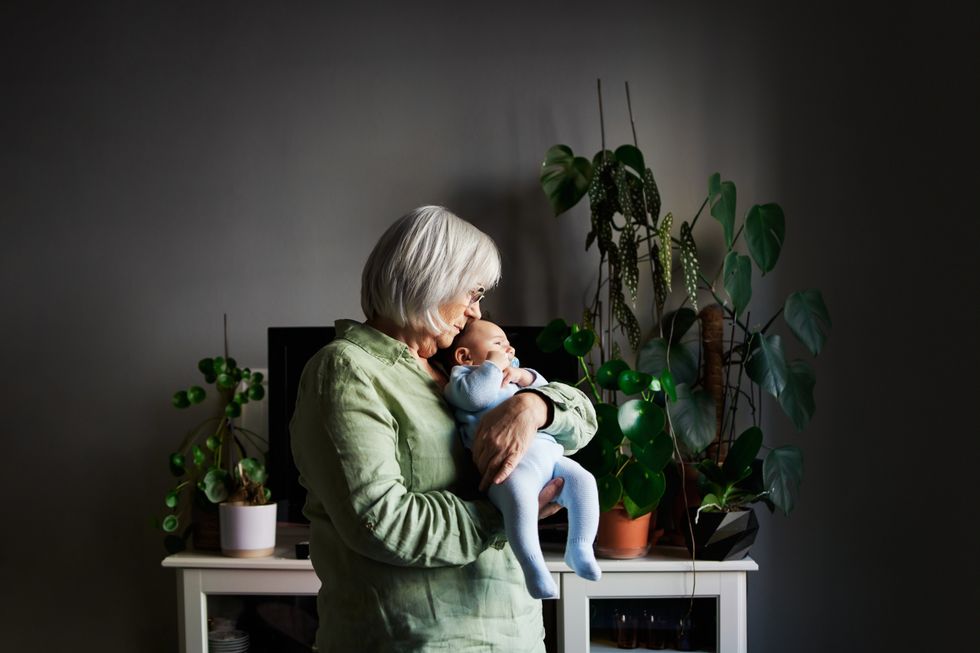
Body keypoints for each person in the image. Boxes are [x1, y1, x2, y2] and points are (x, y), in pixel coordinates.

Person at [289, 206, 598, 652]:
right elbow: (381, 521)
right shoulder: (345, 370)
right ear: (430, 279)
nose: (476, 311)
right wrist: (508, 514)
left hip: (516, 635)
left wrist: (534, 406)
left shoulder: (453, 372)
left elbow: (583, 419)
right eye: (472, 292)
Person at [443, 319, 601, 599]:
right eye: (497, 343)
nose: (508, 348)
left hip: (549, 455)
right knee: (522, 503)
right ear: (465, 356)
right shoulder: (462, 379)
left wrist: (522, 376)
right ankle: (534, 568)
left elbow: (543, 388)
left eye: (507, 343)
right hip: (510, 468)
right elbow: (476, 398)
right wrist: (492, 365)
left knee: (584, 482)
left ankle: (579, 548)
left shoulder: (512, 376)